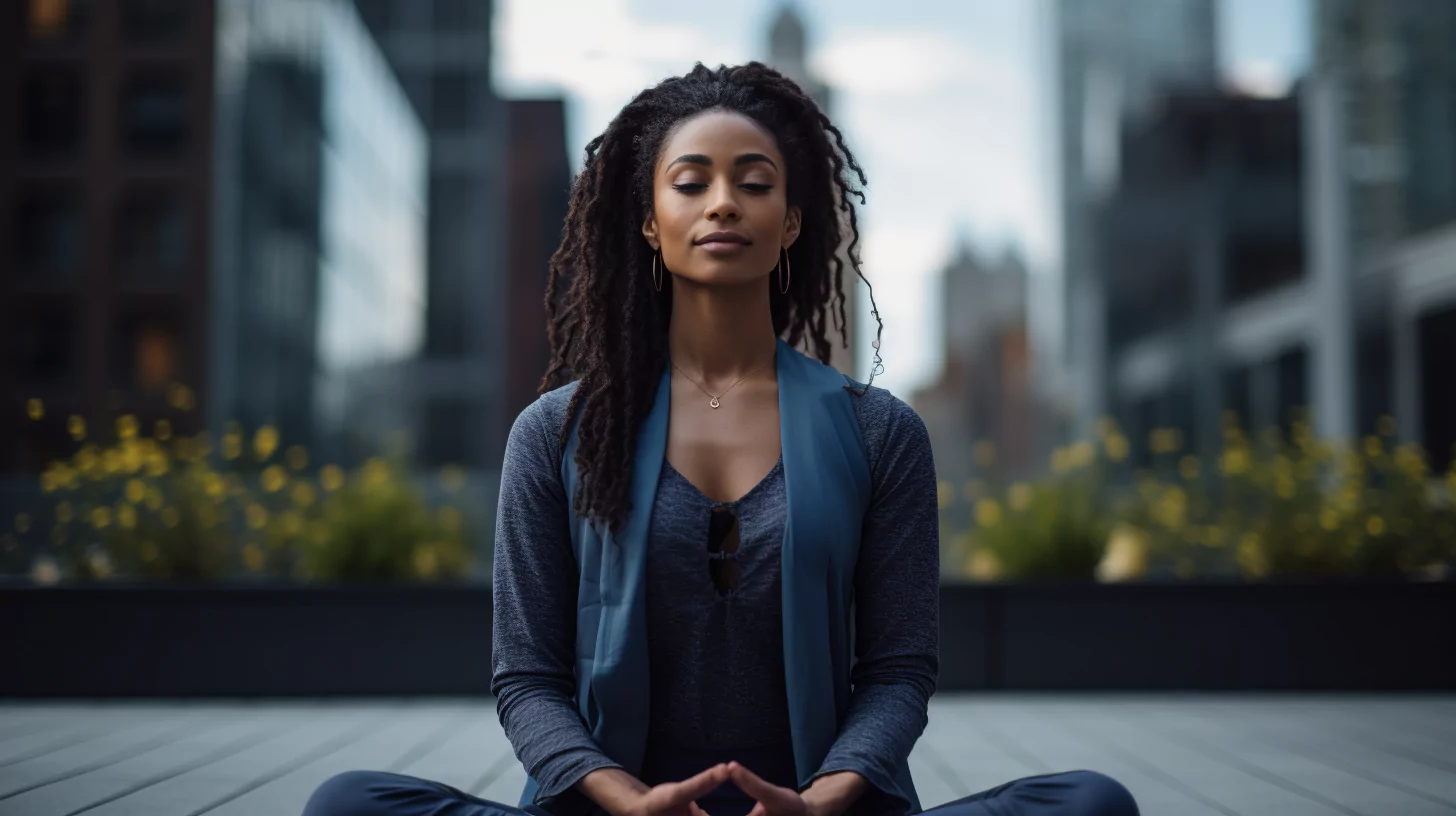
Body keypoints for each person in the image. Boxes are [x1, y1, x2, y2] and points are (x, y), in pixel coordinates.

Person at [302, 62, 1139, 816]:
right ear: (648, 222)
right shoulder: (556, 431)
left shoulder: (878, 432)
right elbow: (527, 679)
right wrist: (624, 800)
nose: (723, 202)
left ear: (793, 222)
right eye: (691, 182)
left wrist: (824, 800)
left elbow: (897, 671)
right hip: (615, 813)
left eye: (754, 182)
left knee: (1090, 802)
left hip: (819, 813)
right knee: (349, 802)